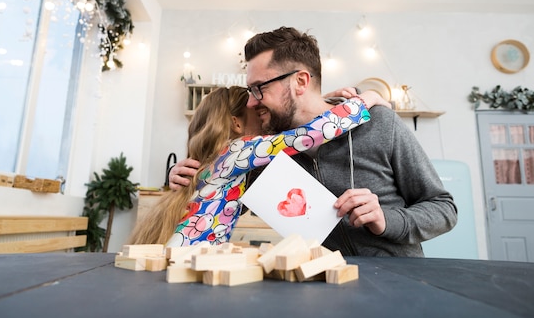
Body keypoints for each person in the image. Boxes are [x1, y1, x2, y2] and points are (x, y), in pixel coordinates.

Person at [170, 26, 457, 257]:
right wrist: (186, 179)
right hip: (323, 287)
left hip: (398, 286)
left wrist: (387, 220)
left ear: (300, 82)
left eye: (259, 88)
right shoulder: (265, 152)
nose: (251, 101)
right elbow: (226, 202)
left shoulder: (380, 124)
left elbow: (443, 208)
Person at [128, 85, 377, 247]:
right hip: (188, 259)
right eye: (258, 115)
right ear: (237, 124)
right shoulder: (238, 150)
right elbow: (311, 133)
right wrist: (368, 99)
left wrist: (322, 100)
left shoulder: (217, 159)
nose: (264, 120)